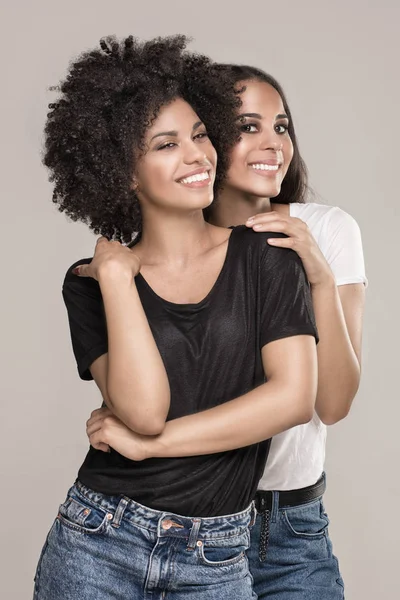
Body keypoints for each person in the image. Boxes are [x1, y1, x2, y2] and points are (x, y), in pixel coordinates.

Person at [33, 36, 318, 600]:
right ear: (124, 174)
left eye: (201, 134)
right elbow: (142, 411)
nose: (198, 155)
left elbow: (293, 399)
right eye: (167, 144)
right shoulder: (91, 283)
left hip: (216, 555)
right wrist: (118, 280)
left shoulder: (267, 257)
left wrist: (156, 446)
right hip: (98, 540)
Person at [89, 64, 366, 599]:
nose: (273, 144)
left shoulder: (325, 230)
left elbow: (328, 404)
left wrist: (320, 277)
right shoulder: (160, 255)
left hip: (287, 524)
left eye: (281, 127)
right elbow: (144, 402)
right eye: (247, 127)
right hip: (182, 519)